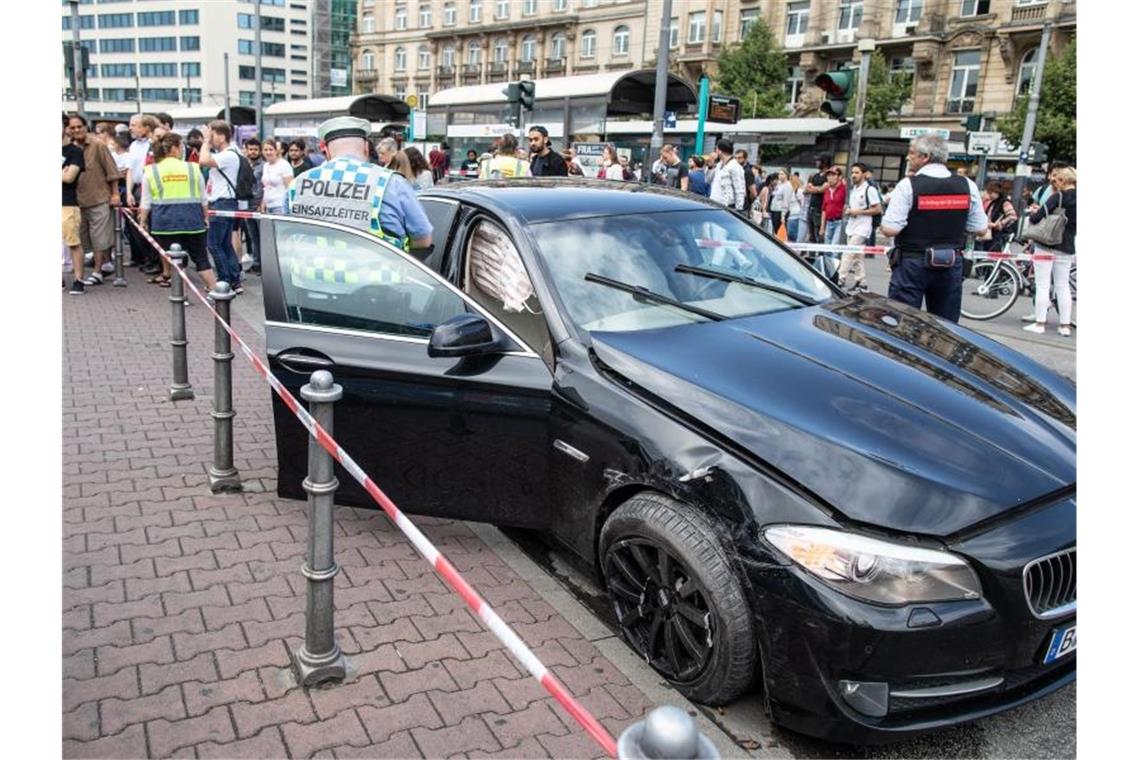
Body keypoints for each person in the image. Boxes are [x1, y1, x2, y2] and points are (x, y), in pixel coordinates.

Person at [879, 134, 989, 323]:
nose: (908, 158)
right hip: (950, 263)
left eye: (912, 153)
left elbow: (890, 229)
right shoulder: (967, 185)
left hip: (912, 263)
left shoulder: (908, 186)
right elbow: (980, 228)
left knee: (901, 322)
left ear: (926, 157)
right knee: (946, 328)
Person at [288, 116, 432, 250]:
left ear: (326, 149)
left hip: (307, 277)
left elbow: (286, 234)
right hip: (378, 276)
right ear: (366, 147)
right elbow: (423, 240)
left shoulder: (298, 183)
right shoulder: (391, 183)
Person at [139, 131, 217, 292]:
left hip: (164, 222)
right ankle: (214, 289)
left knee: (175, 260)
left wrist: (142, 221)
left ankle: (181, 296)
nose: (183, 150)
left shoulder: (151, 171)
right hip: (192, 220)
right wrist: (206, 217)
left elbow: (145, 201)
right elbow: (203, 197)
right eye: (181, 147)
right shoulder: (193, 168)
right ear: (174, 148)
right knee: (201, 258)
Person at [67, 114, 121, 288]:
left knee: (100, 239)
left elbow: (112, 171)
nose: (76, 130)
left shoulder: (98, 145)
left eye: (79, 126)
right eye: (72, 127)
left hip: (99, 198)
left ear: (85, 126)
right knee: (82, 239)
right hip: (76, 201)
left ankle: (98, 271)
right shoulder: (68, 149)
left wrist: (114, 194)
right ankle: (84, 272)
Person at [1023, 167, 1076, 336]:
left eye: (1057, 180)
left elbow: (1035, 218)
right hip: (1067, 246)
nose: (1055, 183)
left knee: (1043, 284)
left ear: (1063, 181)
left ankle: (1040, 323)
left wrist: (1034, 212)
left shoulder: (1057, 197)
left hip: (1047, 245)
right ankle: (1065, 326)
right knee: (1063, 285)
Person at [198, 120, 245, 293]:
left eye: (213, 135)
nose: (210, 139)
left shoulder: (228, 155)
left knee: (214, 245)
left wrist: (205, 142)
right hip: (225, 202)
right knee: (225, 244)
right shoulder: (230, 153)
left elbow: (203, 160)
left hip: (223, 202)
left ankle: (224, 281)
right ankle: (234, 280)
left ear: (222, 136)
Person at [838, 162, 883, 293]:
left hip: (863, 227)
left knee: (848, 254)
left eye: (857, 172)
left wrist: (857, 212)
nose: (853, 175)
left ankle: (840, 279)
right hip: (852, 226)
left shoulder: (870, 190)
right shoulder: (853, 190)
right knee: (857, 257)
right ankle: (862, 282)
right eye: (852, 172)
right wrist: (850, 211)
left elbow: (877, 209)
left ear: (864, 174)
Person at [125, 114, 160, 272]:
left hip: (151, 188)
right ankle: (143, 257)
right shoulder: (133, 146)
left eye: (134, 125)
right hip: (137, 188)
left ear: (146, 127)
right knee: (136, 227)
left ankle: (155, 260)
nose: (131, 128)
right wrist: (129, 193)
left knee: (150, 225)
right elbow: (130, 170)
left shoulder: (154, 145)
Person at [63, 117, 87, 295]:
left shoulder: (74, 152)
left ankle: (79, 279)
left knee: (73, 242)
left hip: (67, 202)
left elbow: (70, 177)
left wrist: (65, 174)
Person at [709, 139, 745, 212]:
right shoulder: (719, 165)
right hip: (714, 205)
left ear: (720, 151)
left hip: (726, 207)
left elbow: (740, 190)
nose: (715, 151)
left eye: (716, 148)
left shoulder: (735, 167)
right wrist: (710, 166)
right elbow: (708, 180)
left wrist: (738, 209)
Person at [259, 139, 294, 214]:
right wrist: (263, 203)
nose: (268, 152)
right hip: (268, 206)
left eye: (271, 149)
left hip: (280, 205)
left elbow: (290, 187)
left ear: (276, 151)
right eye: (265, 150)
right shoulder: (265, 165)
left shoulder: (284, 165)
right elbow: (266, 187)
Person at [982, 182, 1017, 252]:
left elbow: (1013, 216)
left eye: (991, 193)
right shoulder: (993, 202)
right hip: (992, 235)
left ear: (997, 192)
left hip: (998, 235)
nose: (989, 195)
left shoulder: (1004, 202)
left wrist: (1000, 224)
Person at [803, 157, 830, 243]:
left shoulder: (827, 176)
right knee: (811, 235)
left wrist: (814, 188)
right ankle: (812, 255)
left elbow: (822, 189)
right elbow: (807, 189)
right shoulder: (815, 175)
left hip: (820, 209)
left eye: (818, 161)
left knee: (819, 233)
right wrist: (816, 189)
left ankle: (820, 255)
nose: (816, 163)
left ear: (824, 162)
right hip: (811, 207)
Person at [820, 166, 847, 245]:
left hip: (839, 222)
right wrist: (822, 227)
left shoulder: (844, 189)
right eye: (828, 176)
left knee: (834, 247)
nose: (830, 178)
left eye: (833, 175)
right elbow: (824, 209)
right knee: (827, 248)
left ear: (839, 177)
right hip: (829, 222)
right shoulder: (827, 190)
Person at [770, 169, 793, 237]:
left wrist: (783, 215)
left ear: (786, 175)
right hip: (774, 209)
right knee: (775, 230)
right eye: (779, 174)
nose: (780, 176)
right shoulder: (779, 185)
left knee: (779, 231)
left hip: (780, 211)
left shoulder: (787, 185)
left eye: (782, 174)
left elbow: (786, 201)